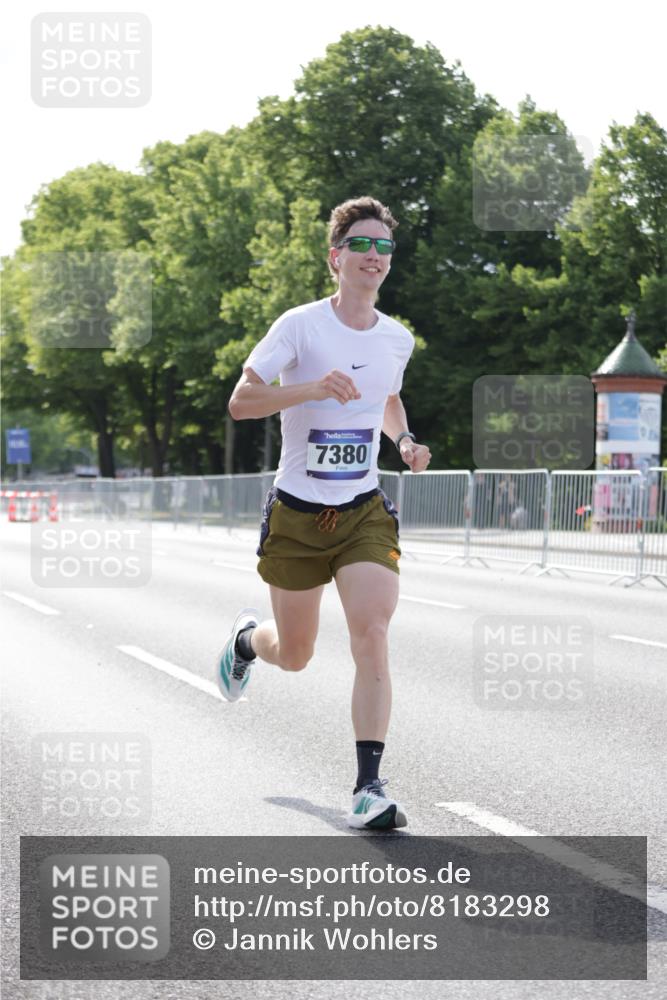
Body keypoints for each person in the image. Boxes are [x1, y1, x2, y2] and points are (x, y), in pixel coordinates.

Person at [217, 196, 431, 830]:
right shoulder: (301, 326)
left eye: (384, 247)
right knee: (297, 653)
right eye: (362, 245)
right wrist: (310, 388)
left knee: (371, 634)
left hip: (362, 509)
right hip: (298, 513)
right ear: (336, 257)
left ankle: (369, 788)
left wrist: (404, 439)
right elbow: (241, 402)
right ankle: (247, 642)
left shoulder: (397, 337)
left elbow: (387, 393)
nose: (374, 256)